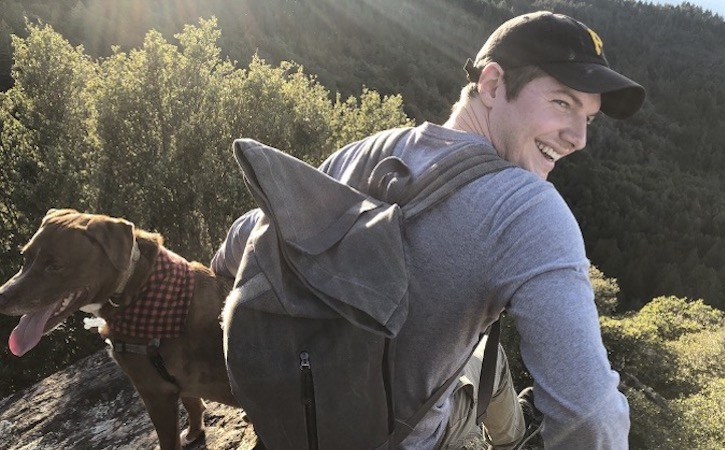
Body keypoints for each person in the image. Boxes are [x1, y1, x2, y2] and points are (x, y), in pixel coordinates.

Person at [212, 11, 645, 450]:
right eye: (563, 103)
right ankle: (513, 440)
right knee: (489, 368)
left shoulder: (363, 152)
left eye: (588, 118)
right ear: (493, 85)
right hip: (402, 439)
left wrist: (222, 269)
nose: (578, 138)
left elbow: (244, 239)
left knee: (483, 362)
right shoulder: (527, 209)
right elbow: (591, 415)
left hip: (295, 419)